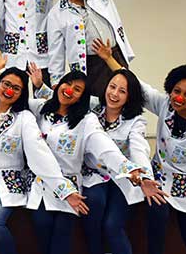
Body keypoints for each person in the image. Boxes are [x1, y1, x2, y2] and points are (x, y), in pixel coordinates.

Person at [93, 39, 186, 254]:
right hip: (160, 177)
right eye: (176, 91)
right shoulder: (164, 105)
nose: (178, 98)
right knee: (156, 220)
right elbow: (135, 83)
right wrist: (108, 58)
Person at [0, 65, 85, 254]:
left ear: (21, 93)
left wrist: (64, 188)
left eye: (16, 88)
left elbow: (38, 153)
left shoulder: (24, 117)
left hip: (9, 179)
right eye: (5, 84)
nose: (9, 90)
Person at [25, 70, 147, 254]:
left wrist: (131, 169)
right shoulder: (40, 109)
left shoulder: (87, 119)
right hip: (43, 183)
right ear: (59, 85)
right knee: (42, 227)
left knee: (62, 237)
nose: (69, 90)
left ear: (82, 97)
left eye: (77, 89)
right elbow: (12, 102)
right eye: (68, 84)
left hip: (70, 187)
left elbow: (105, 146)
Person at [79, 69, 167, 254]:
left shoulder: (135, 121)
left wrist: (145, 178)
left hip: (125, 177)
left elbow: (139, 149)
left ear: (130, 96)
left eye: (122, 91)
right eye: (112, 87)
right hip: (95, 174)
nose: (114, 94)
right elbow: (62, 98)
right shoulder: (92, 107)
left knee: (112, 226)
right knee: (93, 208)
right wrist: (39, 85)